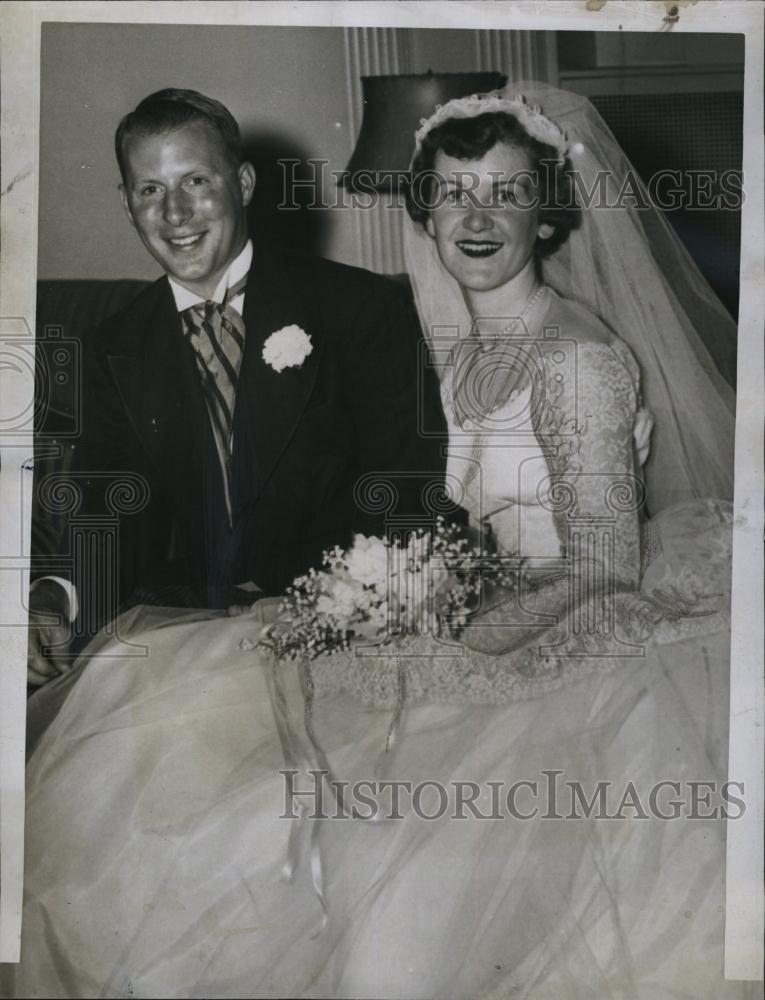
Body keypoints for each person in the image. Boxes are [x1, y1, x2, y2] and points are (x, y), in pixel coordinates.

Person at [7, 85, 752, 999]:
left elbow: (597, 567)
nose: (474, 220)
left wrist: (420, 626)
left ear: (549, 215)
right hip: (371, 620)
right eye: (451, 195)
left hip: (545, 647)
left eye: (505, 195)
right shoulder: (445, 340)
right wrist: (56, 599)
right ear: (423, 212)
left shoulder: (563, 359)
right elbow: (97, 508)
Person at [27, 87, 448, 685]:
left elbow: (404, 490)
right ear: (127, 203)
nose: (175, 213)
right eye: (151, 190)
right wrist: (53, 597)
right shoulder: (110, 346)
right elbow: (108, 519)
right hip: (189, 644)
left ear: (243, 185)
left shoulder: (360, 309)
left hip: (344, 633)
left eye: (196, 181)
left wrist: (335, 610)